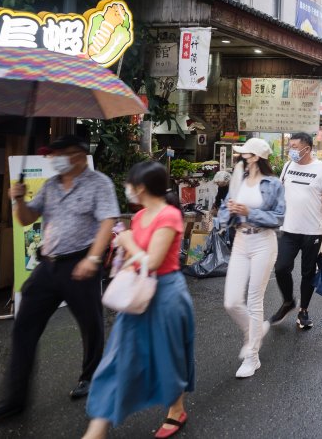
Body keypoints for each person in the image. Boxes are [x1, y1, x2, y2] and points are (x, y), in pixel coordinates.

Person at [0, 135, 118, 421]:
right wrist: (18, 200)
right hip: (48, 266)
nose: (52, 159)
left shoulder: (99, 183)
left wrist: (92, 259)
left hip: (80, 263)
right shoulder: (51, 185)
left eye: (57, 154)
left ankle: (90, 376)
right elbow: (26, 219)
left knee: (91, 326)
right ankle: (14, 399)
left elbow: (108, 222)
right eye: (51, 155)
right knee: (24, 326)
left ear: (77, 155)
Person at [82, 162, 195, 439]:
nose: (127, 190)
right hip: (138, 293)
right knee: (118, 357)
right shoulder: (140, 215)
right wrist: (125, 252)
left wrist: (128, 241)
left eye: (129, 184)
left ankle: (176, 409)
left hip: (166, 294)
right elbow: (138, 260)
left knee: (169, 356)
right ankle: (96, 430)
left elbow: (154, 261)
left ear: (141, 187)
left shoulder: (169, 215)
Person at [217, 137, 285, 378]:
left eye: (244, 154)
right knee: (231, 301)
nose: (240, 158)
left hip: (263, 242)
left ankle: (252, 356)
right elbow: (224, 210)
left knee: (255, 300)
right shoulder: (239, 180)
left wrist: (249, 212)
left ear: (256, 157)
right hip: (240, 240)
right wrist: (227, 214)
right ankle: (256, 330)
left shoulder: (273, 184)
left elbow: (278, 218)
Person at [269, 133, 322, 333]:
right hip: (288, 229)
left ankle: (303, 311)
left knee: (308, 273)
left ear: (307, 148)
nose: (291, 149)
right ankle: (288, 301)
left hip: (312, 231)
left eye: (295, 146)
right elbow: (280, 193)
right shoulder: (288, 166)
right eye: (290, 145)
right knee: (281, 268)